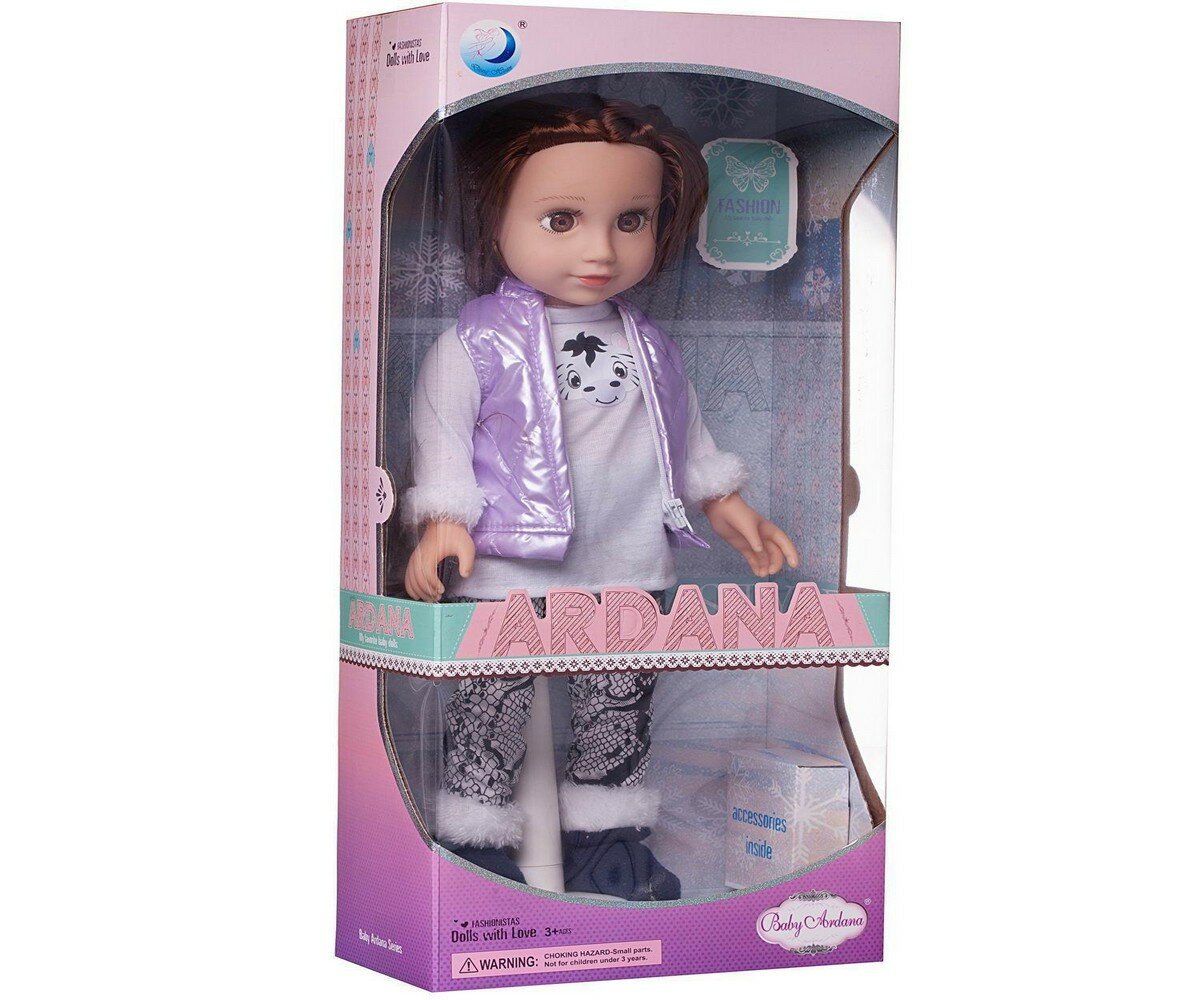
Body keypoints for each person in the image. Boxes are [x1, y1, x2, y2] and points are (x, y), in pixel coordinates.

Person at [403, 95, 798, 900]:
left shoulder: (650, 344)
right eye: (561, 220)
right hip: (510, 570)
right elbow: (440, 434)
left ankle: (607, 848)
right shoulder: (478, 340)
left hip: (630, 562)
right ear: (494, 221)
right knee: (490, 710)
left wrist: (726, 505)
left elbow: (684, 436)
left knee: (618, 713)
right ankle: (474, 849)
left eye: (631, 220)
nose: (600, 249)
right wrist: (443, 521)